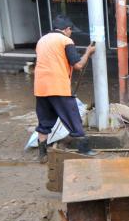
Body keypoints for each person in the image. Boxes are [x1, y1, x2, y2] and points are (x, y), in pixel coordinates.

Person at [34, 14, 96, 163]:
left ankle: (42, 153)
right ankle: (84, 149)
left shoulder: (42, 40)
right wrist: (88, 52)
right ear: (67, 29)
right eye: (71, 30)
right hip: (58, 86)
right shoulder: (65, 40)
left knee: (44, 122)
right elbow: (78, 65)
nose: (71, 33)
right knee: (73, 116)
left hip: (40, 87)